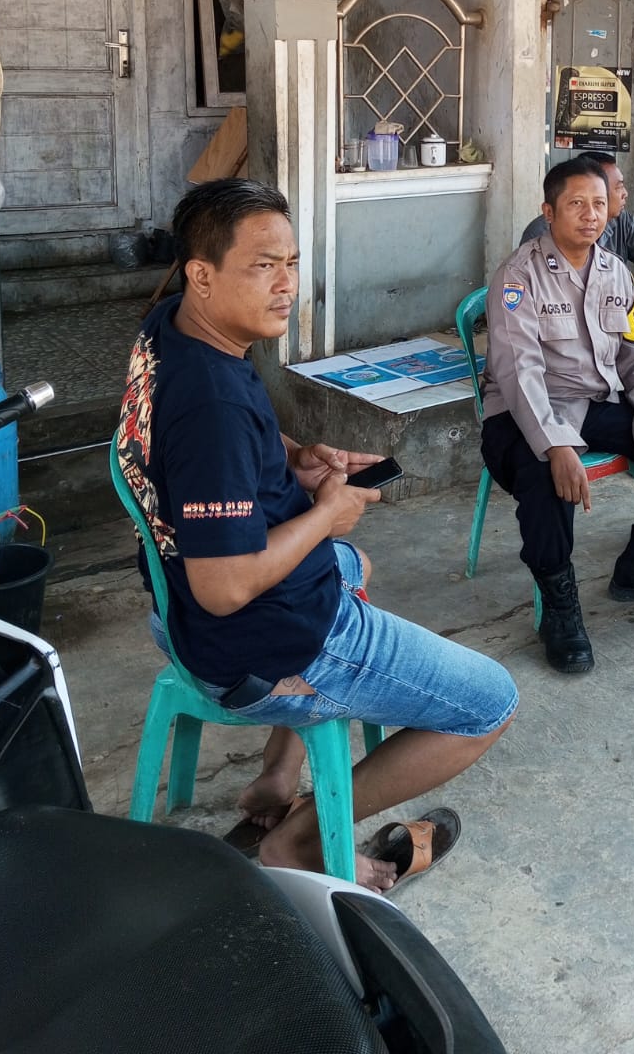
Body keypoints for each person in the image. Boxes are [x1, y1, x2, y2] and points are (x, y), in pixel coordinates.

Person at [117, 179, 517, 887]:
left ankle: (277, 774)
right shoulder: (210, 409)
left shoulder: (171, 329)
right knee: (489, 704)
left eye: (292, 263)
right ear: (202, 274)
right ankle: (301, 839)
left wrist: (293, 459)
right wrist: (324, 513)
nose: (286, 285)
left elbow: (223, 445)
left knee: (351, 561)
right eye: (263, 266)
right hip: (256, 643)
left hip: (177, 615)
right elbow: (224, 587)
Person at [484, 158, 634, 675]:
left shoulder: (616, 271)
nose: (590, 215)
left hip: (594, 404)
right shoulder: (517, 276)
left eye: (598, 204)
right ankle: (559, 605)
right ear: (549, 212)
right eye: (576, 204)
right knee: (544, 473)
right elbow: (519, 372)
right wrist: (557, 445)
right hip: (524, 414)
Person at [520, 151, 634, 401]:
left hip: (614, 304)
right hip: (567, 315)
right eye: (618, 187)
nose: (625, 193)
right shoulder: (542, 234)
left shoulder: (620, 221)